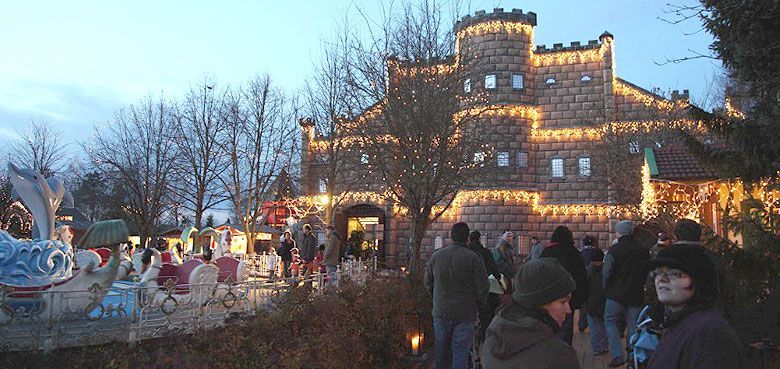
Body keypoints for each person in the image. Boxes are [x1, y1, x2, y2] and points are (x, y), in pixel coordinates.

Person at [645, 244, 745, 369]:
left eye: (675, 274)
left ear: (700, 281)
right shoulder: (679, 323)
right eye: (657, 273)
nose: (662, 279)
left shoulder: (709, 332)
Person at [480, 258, 581, 369]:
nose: (568, 310)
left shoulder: (495, 333)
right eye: (563, 302)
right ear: (540, 303)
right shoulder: (560, 355)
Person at [424, 222, 488, 369]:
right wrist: (479, 304)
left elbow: (428, 282)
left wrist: (436, 296)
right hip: (465, 313)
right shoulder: (474, 259)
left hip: (441, 310)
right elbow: (483, 288)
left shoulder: (437, 256)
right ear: (467, 238)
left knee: (441, 352)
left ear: (451, 236)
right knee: (460, 353)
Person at [603, 220, 649, 367]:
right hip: (636, 293)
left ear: (619, 232)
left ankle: (617, 355)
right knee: (633, 325)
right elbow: (647, 271)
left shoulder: (614, 250)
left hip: (615, 293)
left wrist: (606, 288)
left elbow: (607, 272)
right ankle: (631, 354)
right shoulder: (643, 250)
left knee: (610, 321)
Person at [540, 226, 588, 345]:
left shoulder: (547, 252)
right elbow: (582, 277)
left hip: (549, 297)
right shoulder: (575, 253)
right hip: (569, 297)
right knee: (567, 326)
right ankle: (565, 350)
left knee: (550, 325)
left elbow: (539, 274)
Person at [673, 219, 725, 296]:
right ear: (699, 235)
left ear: (675, 236)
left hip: (675, 305)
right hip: (708, 304)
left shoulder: (667, 258)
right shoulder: (713, 258)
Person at [468, 230, 500, 344]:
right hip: (484, 289)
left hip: (468, 292)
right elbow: (494, 268)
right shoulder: (485, 252)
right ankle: (484, 340)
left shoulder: (466, 252)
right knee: (485, 315)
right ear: (479, 239)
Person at [584, 248, 608, 356]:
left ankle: (596, 348)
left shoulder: (587, 270)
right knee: (604, 326)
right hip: (604, 301)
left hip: (590, 302)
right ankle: (604, 346)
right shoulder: (607, 269)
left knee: (593, 328)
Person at [578, 235, 597, 332]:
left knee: (584, 304)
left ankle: (582, 324)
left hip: (583, 280)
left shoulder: (581, 253)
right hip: (596, 281)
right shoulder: (596, 252)